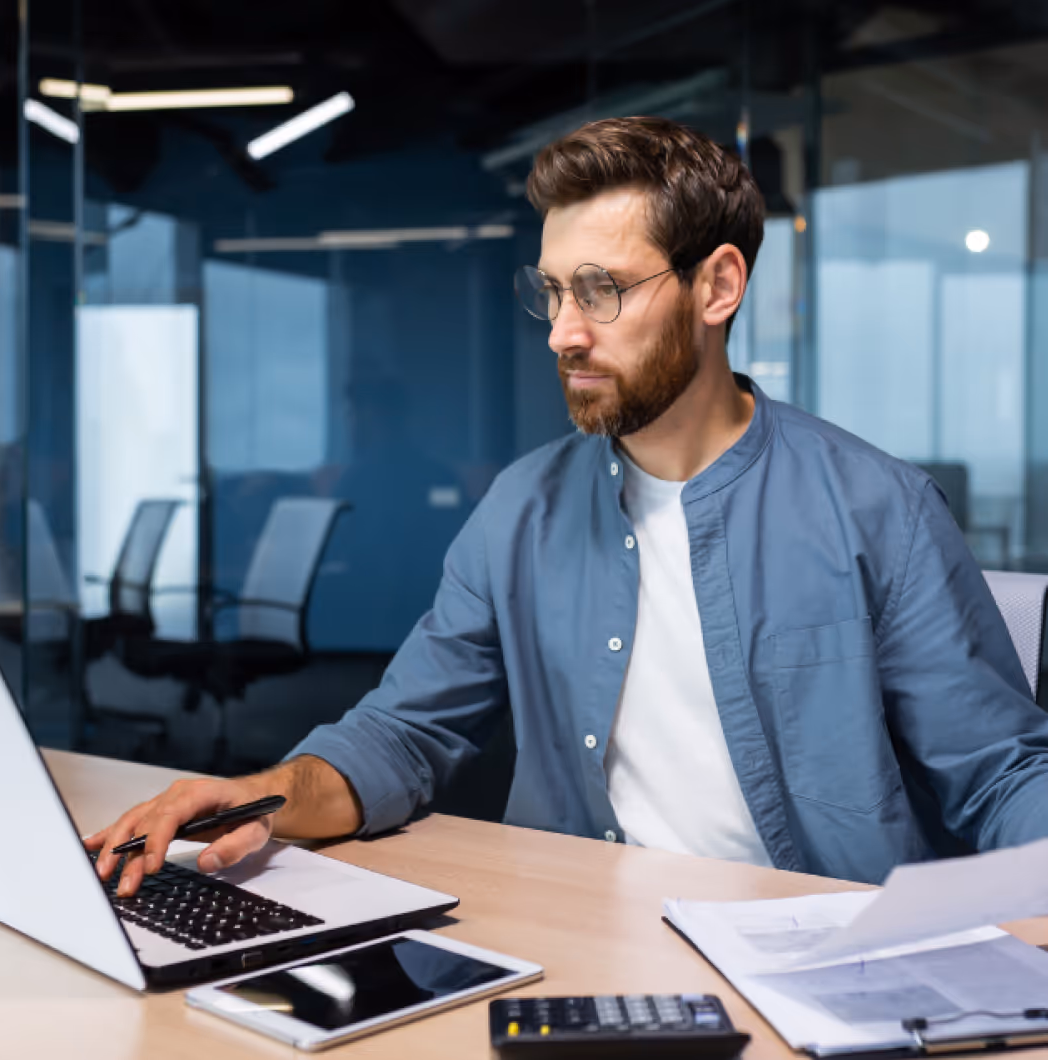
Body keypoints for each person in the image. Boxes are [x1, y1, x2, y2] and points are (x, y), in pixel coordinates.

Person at [87, 116, 1048, 893]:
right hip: (575, 933)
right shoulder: (522, 511)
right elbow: (404, 734)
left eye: (600, 290)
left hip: (822, 960)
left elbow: (1001, 776)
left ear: (717, 285)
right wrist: (262, 796)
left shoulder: (879, 507)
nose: (562, 333)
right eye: (550, 292)